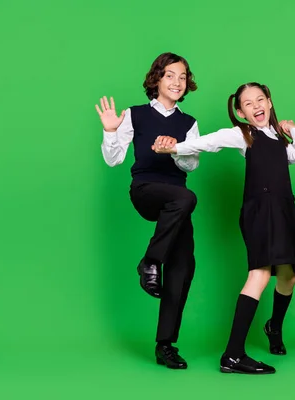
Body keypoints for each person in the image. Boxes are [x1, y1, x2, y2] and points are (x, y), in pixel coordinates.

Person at [152, 82, 295, 374]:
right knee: (260, 274)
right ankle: (233, 354)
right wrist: (174, 147)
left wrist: (293, 130)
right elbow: (208, 142)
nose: (256, 106)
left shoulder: (280, 139)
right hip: (259, 212)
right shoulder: (242, 135)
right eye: (248, 104)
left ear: (270, 102)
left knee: (289, 276)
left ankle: (274, 327)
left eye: (260, 99)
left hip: (287, 210)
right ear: (240, 112)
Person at [96, 52, 200, 369]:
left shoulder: (188, 123)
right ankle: (151, 261)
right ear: (156, 78)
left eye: (182, 77)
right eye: (170, 75)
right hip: (145, 190)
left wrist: (175, 149)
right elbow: (113, 159)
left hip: (176, 200)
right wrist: (111, 130)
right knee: (186, 198)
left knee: (183, 266)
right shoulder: (136, 115)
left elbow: (191, 164)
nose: (177, 82)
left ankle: (165, 345)